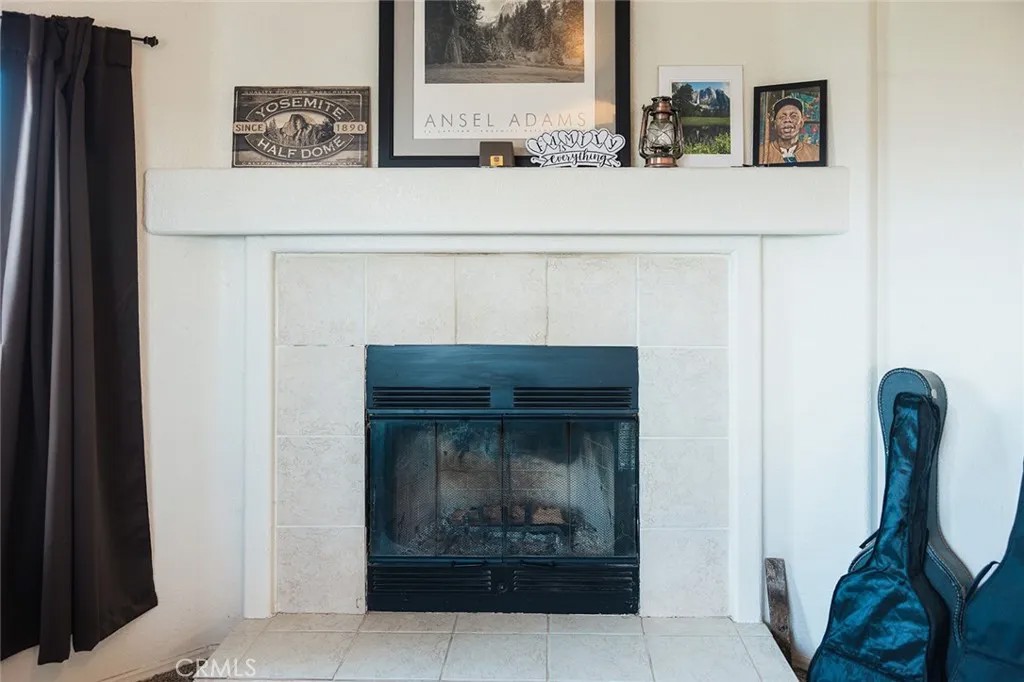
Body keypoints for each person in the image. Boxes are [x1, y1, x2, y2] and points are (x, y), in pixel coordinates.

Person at [759, 96, 820, 164]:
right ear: (774, 124)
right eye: (782, 117)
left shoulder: (815, 153)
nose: (788, 120)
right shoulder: (761, 153)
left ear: (801, 123)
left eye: (793, 116)